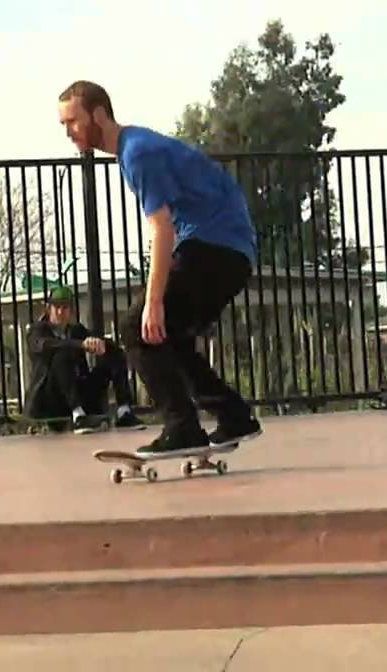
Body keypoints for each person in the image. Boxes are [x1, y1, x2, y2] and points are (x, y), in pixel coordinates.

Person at [56, 80, 262, 459]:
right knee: (169, 337)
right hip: (229, 248)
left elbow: (161, 228)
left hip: (215, 246)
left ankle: (183, 428)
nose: (68, 132)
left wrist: (153, 302)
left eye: (73, 121)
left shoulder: (138, 153)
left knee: (138, 327)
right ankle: (234, 415)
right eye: (63, 125)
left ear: (98, 114)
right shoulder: (135, 147)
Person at [24, 285, 143, 430]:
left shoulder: (76, 330)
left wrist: (101, 345)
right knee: (61, 353)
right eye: (57, 307)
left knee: (115, 353)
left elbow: (95, 341)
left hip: (79, 394)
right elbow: (47, 345)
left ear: (71, 310)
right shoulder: (36, 331)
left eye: (65, 307)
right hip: (50, 400)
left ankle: (124, 411)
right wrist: (81, 344)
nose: (60, 312)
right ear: (49, 309)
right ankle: (78, 417)